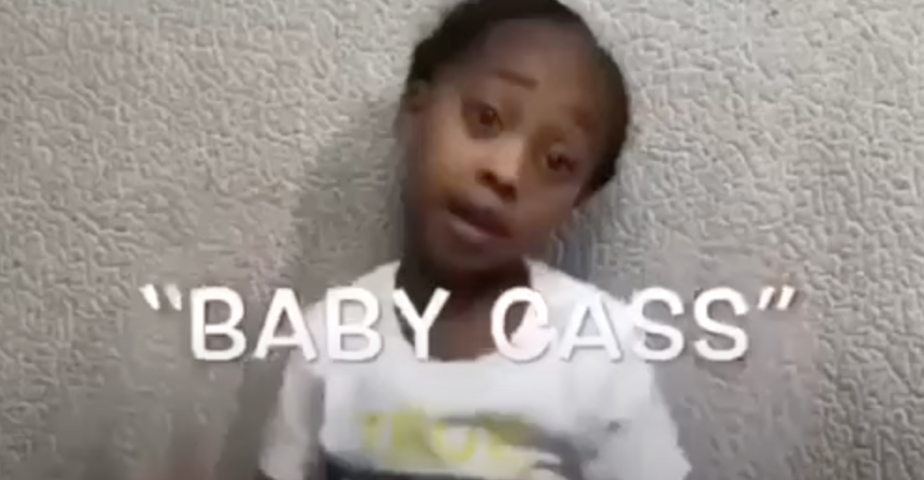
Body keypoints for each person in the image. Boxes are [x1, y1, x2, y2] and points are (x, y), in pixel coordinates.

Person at [257, 0, 691, 479]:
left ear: (578, 201)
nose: (506, 172)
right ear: (415, 112)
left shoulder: (598, 351)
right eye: (486, 117)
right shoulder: (333, 337)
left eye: (557, 161)